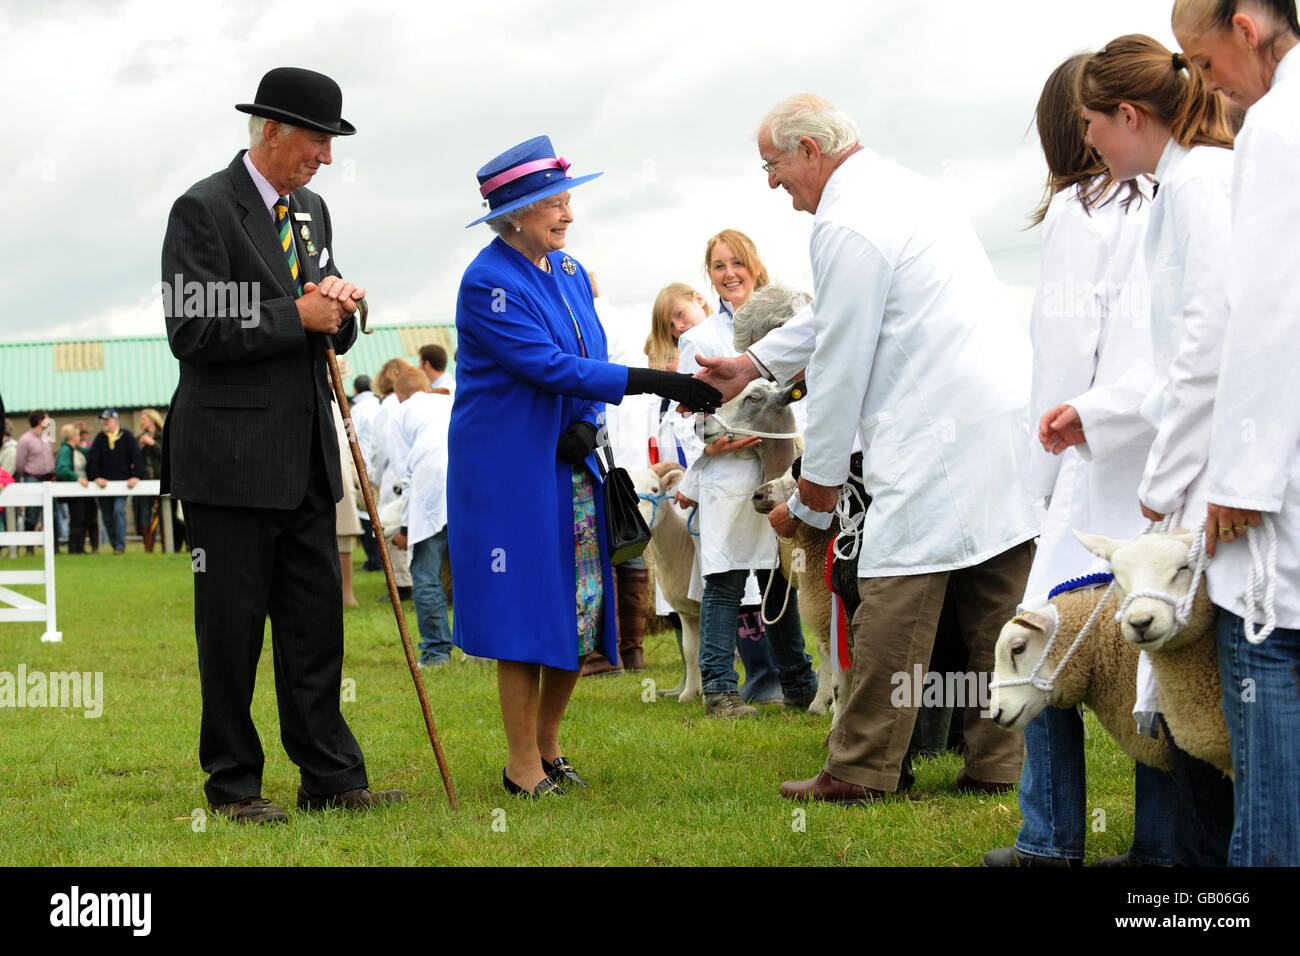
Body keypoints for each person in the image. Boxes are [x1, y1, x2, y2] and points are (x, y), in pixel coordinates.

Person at [698, 94, 1039, 802]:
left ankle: (858, 768)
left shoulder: (847, 220)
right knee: (991, 589)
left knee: (894, 584)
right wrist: (756, 363)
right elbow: (836, 316)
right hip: (994, 415)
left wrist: (816, 484)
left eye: (772, 164)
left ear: (810, 152)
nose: (770, 181)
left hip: (932, 427)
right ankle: (999, 762)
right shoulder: (900, 190)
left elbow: (844, 359)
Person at [161, 66, 401, 823]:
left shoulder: (312, 212)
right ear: (271, 131)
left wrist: (343, 308)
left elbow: (324, 311)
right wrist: (294, 314)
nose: (325, 157)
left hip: (304, 461)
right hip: (227, 465)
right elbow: (191, 329)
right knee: (231, 635)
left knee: (314, 626)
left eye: (330, 144)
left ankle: (330, 775)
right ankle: (233, 786)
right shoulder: (203, 210)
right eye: (317, 140)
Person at [450, 135, 721, 797]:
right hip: (513, 473)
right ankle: (520, 767)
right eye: (553, 203)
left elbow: (583, 356)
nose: (567, 213)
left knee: (581, 606)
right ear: (514, 213)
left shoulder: (568, 274)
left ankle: (548, 746)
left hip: (575, 464)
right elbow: (547, 366)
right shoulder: (488, 281)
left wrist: (586, 423)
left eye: (568, 199)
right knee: (525, 613)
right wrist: (659, 380)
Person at [982, 55, 1179, 868]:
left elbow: (1062, 353)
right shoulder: (1159, 198)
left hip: (1088, 458)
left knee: (1041, 644)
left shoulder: (1078, 209)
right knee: (1151, 654)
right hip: (1155, 456)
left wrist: (1039, 482)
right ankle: (1160, 845)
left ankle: (1049, 837)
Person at [1077, 32, 1238, 864]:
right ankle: (1189, 872)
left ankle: (1205, 885)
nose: (1091, 142)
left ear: (1129, 114)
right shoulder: (1182, 183)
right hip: (1202, 463)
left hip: (1212, 468)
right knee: (1195, 688)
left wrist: (1164, 478)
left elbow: (1207, 339)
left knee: (1219, 693)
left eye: (1094, 124)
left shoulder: (1199, 183)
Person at [1173, 0, 1300, 866]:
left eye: (1204, 59)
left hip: (1279, 466)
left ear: (1246, 29)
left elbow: (1266, 304)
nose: (1206, 84)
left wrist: (1241, 477)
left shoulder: (1279, 124)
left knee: (1267, 647)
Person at [667, 250, 814, 716]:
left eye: (737, 263)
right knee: (725, 577)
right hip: (729, 477)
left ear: (754, 267)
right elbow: (683, 413)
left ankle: (798, 681)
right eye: (717, 265)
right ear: (707, 276)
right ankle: (719, 688)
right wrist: (709, 442)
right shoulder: (699, 338)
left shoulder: (788, 323)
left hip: (778, 469)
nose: (729, 273)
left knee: (779, 578)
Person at [391, 366, 454, 668]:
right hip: (470, 487)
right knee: (476, 573)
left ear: (398, 396)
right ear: (427, 388)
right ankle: (482, 649)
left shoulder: (399, 414)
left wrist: (405, 527)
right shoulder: (448, 401)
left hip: (429, 492)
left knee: (426, 576)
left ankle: (437, 652)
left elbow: (405, 475)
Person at [86, 410, 142, 554]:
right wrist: (96, 477)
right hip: (104, 486)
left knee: (118, 510)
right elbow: (92, 461)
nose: (105, 422)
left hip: (123, 484)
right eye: (103, 420)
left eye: (108, 419)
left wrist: (136, 476)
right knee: (107, 515)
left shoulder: (127, 436)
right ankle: (115, 544)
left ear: (116, 420)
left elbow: (136, 457)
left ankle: (120, 546)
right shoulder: (100, 438)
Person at [349, 373, 384, 572]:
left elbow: (349, 436)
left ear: (355, 390)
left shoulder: (357, 410)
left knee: (365, 511)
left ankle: (374, 560)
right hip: (380, 465)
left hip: (364, 465)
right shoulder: (380, 404)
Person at [55, 424, 96, 554]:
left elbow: (89, 452)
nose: (80, 437)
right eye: (78, 434)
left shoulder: (75, 449)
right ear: (72, 437)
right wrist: (76, 478)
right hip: (73, 490)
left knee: (81, 518)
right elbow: (62, 469)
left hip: (80, 490)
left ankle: (79, 547)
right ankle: (74, 548)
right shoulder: (66, 451)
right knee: (77, 518)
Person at [134, 409, 165, 552]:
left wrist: (152, 443)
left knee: (164, 513)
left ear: (152, 419)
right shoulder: (140, 438)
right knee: (145, 513)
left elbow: (165, 454)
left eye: (144, 419)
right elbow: (135, 459)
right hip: (145, 480)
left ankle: (167, 544)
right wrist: (139, 447)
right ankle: (148, 547)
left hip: (161, 479)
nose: (141, 422)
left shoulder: (162, 436)